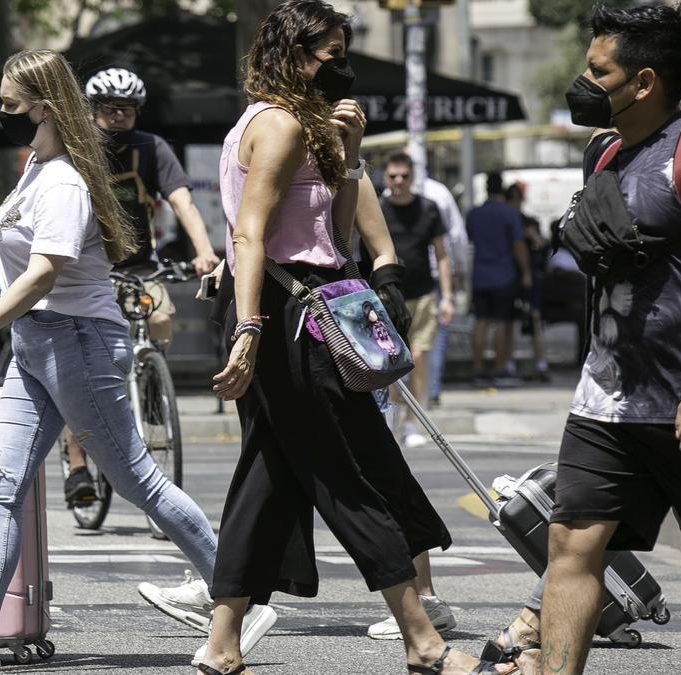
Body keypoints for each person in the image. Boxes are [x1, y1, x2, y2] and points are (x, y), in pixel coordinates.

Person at [0, 49, 274, 673]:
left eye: (11, 105)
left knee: (134, 480)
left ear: (43, 106)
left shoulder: (64, 177)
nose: (3, 113)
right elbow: (26, 253)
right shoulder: (37, 167)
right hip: (37, 341)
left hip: (75, 339)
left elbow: (46, 272)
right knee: (2, 485)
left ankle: (235, 597)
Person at [198, 3, 500, 674]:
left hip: (309, 305)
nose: (337, 65)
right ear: (288, 52)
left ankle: (221, 643)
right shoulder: (275, 125)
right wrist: (249, 326)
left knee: (270, 475)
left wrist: (352, 156)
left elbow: (335, 239)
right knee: (347, 471)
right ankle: (423, 640)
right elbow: (249, 234)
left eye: (341, 51)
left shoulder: (303, 124)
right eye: (324, 53)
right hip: (284, 314)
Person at [526, 4, 681, 674]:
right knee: (570, 544)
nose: (583, 81)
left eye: (598, 71)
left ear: (644, 82)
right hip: (607, 400)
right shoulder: (600, 150)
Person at [57, 67, 223, 507]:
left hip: (139, 267)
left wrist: (204, 249)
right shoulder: (75, 148)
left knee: (162, 315)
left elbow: (181, 199)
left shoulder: (152, 148)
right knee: (82, 372)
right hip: (85, 270)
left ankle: (150, 386)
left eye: (127, 109)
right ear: (91, 110)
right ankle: (76, 466)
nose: (119, 116)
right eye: (111, 109)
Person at [379, 152, 455, 449]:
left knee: (419, 356)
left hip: (423, 293)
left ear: (412, 178)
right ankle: (394, 417)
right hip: (388, 294)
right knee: (392, 359)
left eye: (404, 176)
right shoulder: (378, 208)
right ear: (385, 178)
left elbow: (442, 255)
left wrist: (447, 296)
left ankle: (412, 421)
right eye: (393, 176)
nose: (399, 181)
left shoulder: (429, 209)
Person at [466, 173, 531, 387]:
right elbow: (518, 246)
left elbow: (470, 239)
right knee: (502, 323)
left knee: (481, 321)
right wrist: (526, 272)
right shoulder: (509, 214)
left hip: (480, 275)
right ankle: (499, 368)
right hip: (504, 274)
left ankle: (476, 369)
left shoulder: (474, 214)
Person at [505, 183, 550, 382]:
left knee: (533, 320)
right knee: (513, 322)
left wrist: (533, 236)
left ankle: (539, 363)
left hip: (525, 277)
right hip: (516, 276)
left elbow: (541, 245)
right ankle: (510, 362)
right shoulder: (510, 221)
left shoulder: (526, 221)